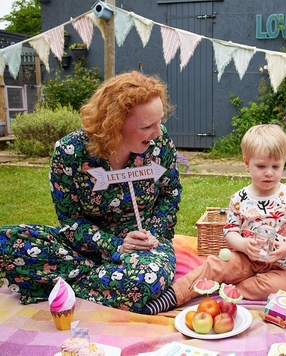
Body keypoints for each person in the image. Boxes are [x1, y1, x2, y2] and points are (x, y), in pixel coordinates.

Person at [0, 71, 181, 312]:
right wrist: (115, 246)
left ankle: (58, 284)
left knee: (147, 276)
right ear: (114, 125)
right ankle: (107, 282)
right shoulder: (69, 152)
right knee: (6, 242)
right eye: (148, 126)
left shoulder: (159, 143)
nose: (158, 132)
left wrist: (152, 234)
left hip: (143, 250)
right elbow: (70, 220)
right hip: (84, 247)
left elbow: (170, 193)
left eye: (160, 121)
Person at [141, 124, 286, 315]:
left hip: (281, 265)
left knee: (270, 288)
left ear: (284, 162)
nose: (269, 172)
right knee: (215, 265)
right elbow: (230, 231)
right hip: (245, 258)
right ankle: (173, 296)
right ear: (247, 163)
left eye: (275, 166)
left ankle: (226, 288)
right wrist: (243, 244)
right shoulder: (239, 199)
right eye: (261, 166)